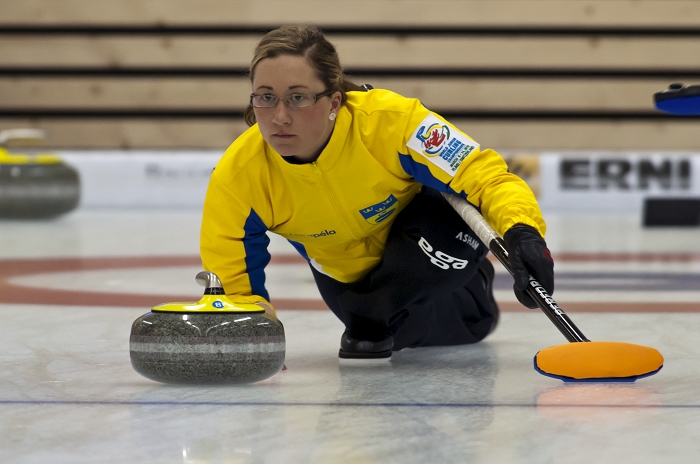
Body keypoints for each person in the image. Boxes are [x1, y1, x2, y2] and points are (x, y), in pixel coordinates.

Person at [200, 25, 554, 360]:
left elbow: (483, 175)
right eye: (265, 97)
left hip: (432, 240)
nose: (279, 117)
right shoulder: (238, 177)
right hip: (347, 280)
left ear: (334, 102)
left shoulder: (390, 121)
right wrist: (252, 335)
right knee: (374, 328)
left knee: (424, 297)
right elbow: (234, 281)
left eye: (297, 98)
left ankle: (446, 297)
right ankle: (380, 313)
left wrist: (523, 232)